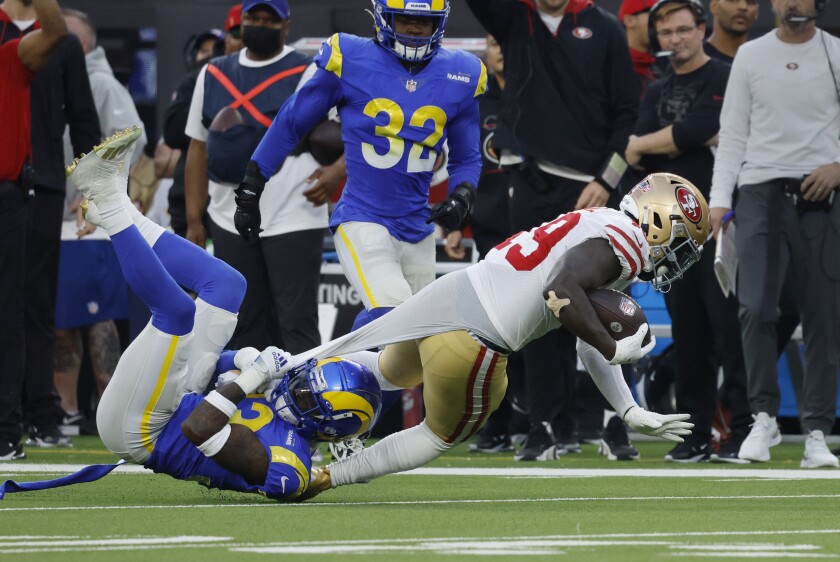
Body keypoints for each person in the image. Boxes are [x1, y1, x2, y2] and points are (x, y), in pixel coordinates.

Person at [262, 172, 710, 499]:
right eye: (682, 244)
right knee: (438, 435)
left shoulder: (602, 219)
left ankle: (267, 376)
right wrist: (614, 346)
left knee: (385, 369)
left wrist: (628, 408)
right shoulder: (627, 246)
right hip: (477, 340)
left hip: (454, 293)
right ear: (660, 222)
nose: (678, 259)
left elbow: (583, 338)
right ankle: (324, 478)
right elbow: (561, 290)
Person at [0, 127, 383, 501]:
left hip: (142, 429)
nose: (298, 392)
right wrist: (245, 359)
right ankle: (115, 205)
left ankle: (109, 201)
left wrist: (253, 376)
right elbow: (220, 369)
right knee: (228, 284)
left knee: (177, 313)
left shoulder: (289, 467)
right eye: (307, 384)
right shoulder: (291, 407)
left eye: (308, 397)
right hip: (176, 398)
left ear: (326, 426)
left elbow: (199, 428)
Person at [238, 0, 484, 332]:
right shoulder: (350, 58)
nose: (413, 29)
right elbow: (292, 122)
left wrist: (462, 194)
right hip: (363, 217)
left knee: (420, 341)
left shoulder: (461, 73)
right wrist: (253, 184)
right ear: (384, 18)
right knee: (393, 313)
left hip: (418, 227)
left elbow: (467, 157)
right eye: (405, 19)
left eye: (423, 22)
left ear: (438, 23)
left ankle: (349, 369)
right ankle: (339, 369)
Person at [466, 0, 640, 462]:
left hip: (594, 190)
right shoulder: (514, 19)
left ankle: (613, 423)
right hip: (531, 185)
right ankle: (545, 426)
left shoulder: (603, 27)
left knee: (607, 306)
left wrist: (607, 179)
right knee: (540, 303)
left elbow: (629, 114)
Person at [709, 0, 840, 469]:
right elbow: (734, 133)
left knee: (825, 317)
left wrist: (838, 168)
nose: (794, 4)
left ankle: (818, 433)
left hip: (821, 198)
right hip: (759, 193)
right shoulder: (751, 56)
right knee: (756, 307)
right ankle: (761, 418)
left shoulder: (835, 53)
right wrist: (719, 200)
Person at [624, 0, 746, 463]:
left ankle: (743, 427)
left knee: (727, 330)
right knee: (690, 333)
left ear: (701, 29)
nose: (675, 39)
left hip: (720, 221)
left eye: (683, 29)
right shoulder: (656, 89)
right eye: (666, 32)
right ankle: (696, 433)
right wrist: (658, 143)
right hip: (670, 230)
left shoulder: (724, 75)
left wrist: (652, 142)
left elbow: (701, 128)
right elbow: (640, 154)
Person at [185, 0, 342, 354]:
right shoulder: (212, 73)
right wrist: (194, 219)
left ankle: (302, 406)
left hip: (294, 213)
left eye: (270, 20)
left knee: (296, 322)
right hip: (227, 215)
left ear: (286, 24)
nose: (260, 24)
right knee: (240, 323)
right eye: (253, 18)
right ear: (241, 22)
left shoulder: (310, 71)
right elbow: (196, 147)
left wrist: (336, 171)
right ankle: (248, 407)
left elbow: (358, 130)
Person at [1, 0, 100, 449]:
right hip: (8, 178)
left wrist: (93, 188)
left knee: (36, 302)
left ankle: (41, 412)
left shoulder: (60, 42)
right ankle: (11, 414)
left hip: (41, 179)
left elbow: (82, 118)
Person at [54, 8, 147, 433]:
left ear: (85, 43)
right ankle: (68, 411)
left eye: (66, 37)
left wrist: (94, 196)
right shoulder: (51, 77)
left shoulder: (102, 84)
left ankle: (109, 413)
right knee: (63, 318)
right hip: (52, 215)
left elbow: (132, 138)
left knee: (97, 317)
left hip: (88, 221)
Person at [0, 0, 67, 461]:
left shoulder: (10, 58)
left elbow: (56, 30)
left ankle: (5, 430)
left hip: (7, 195)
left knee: (8, 313)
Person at [618, 0, 662, 96]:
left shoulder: (663, 67)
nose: (661, 23)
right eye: (654, 15)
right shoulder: (615, 70)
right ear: (629, 21)